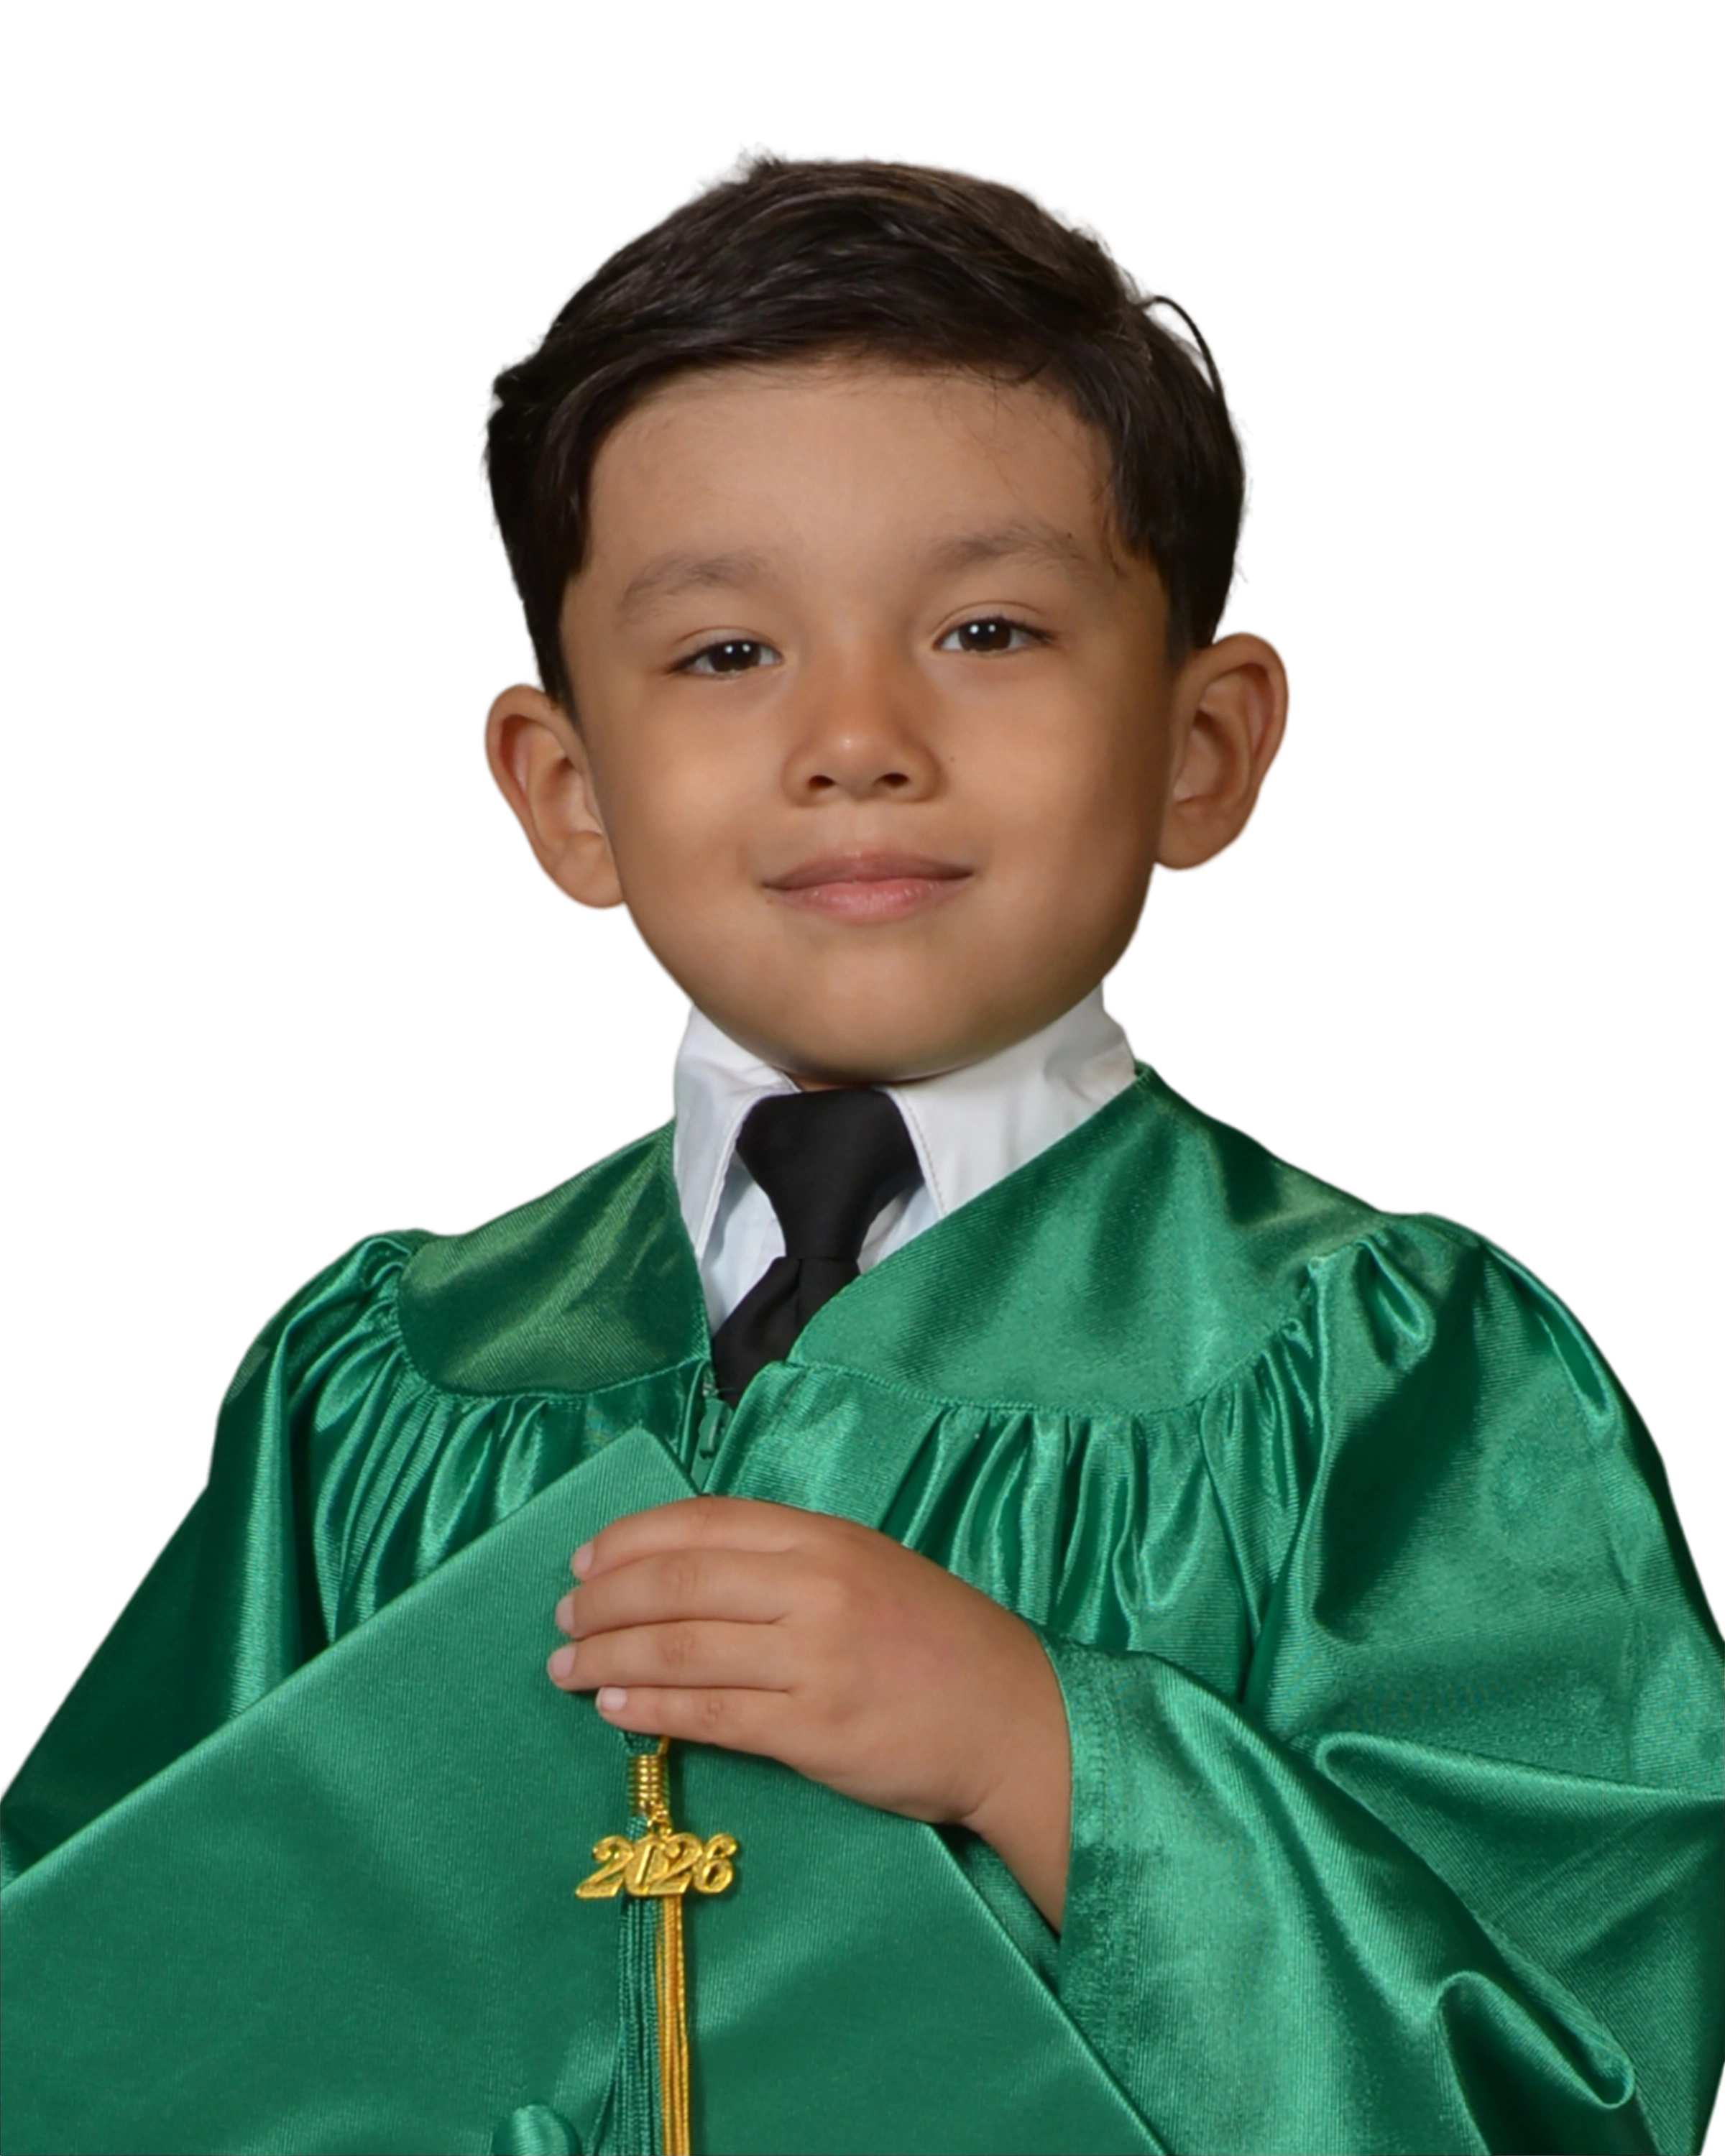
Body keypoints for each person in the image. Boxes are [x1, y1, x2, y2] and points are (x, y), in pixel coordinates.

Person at [4, 141, 1720, 2156]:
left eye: (986, 630)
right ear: (562, 791)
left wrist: (1050, 1755)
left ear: (1206, 745)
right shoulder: (387, 1381)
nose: (855, 742)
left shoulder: (1388, 1377)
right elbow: (96, 2005)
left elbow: (1575, 2085)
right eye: (727, 652)